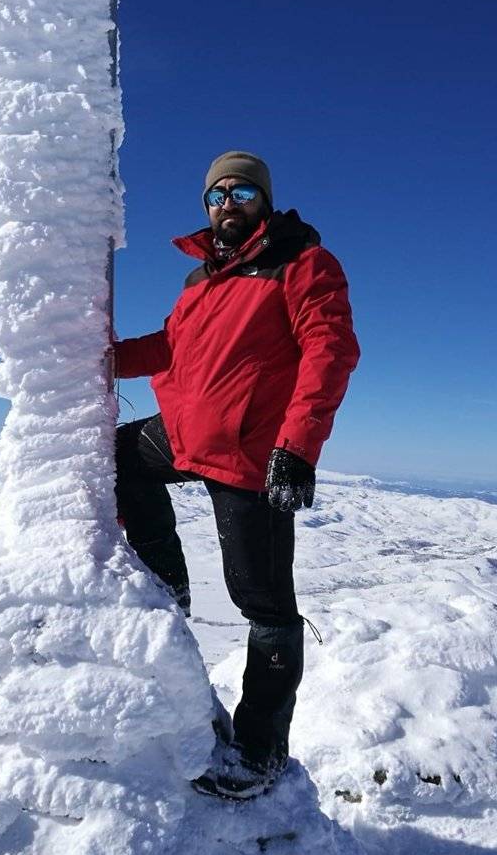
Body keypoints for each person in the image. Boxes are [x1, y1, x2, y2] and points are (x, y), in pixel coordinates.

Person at [113, 151, 359, 799]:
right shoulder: (201, 281)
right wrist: (95, 355)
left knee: (265, 605)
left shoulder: (302, 264)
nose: (228, 202)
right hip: (185, 436)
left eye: (242, 190)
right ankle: (168, 589)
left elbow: (330, 350)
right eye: (216, 194)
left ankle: (260, 750)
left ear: (265, 200)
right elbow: (169, 347)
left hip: (254, 455)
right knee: (117, 456)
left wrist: (299, 446)